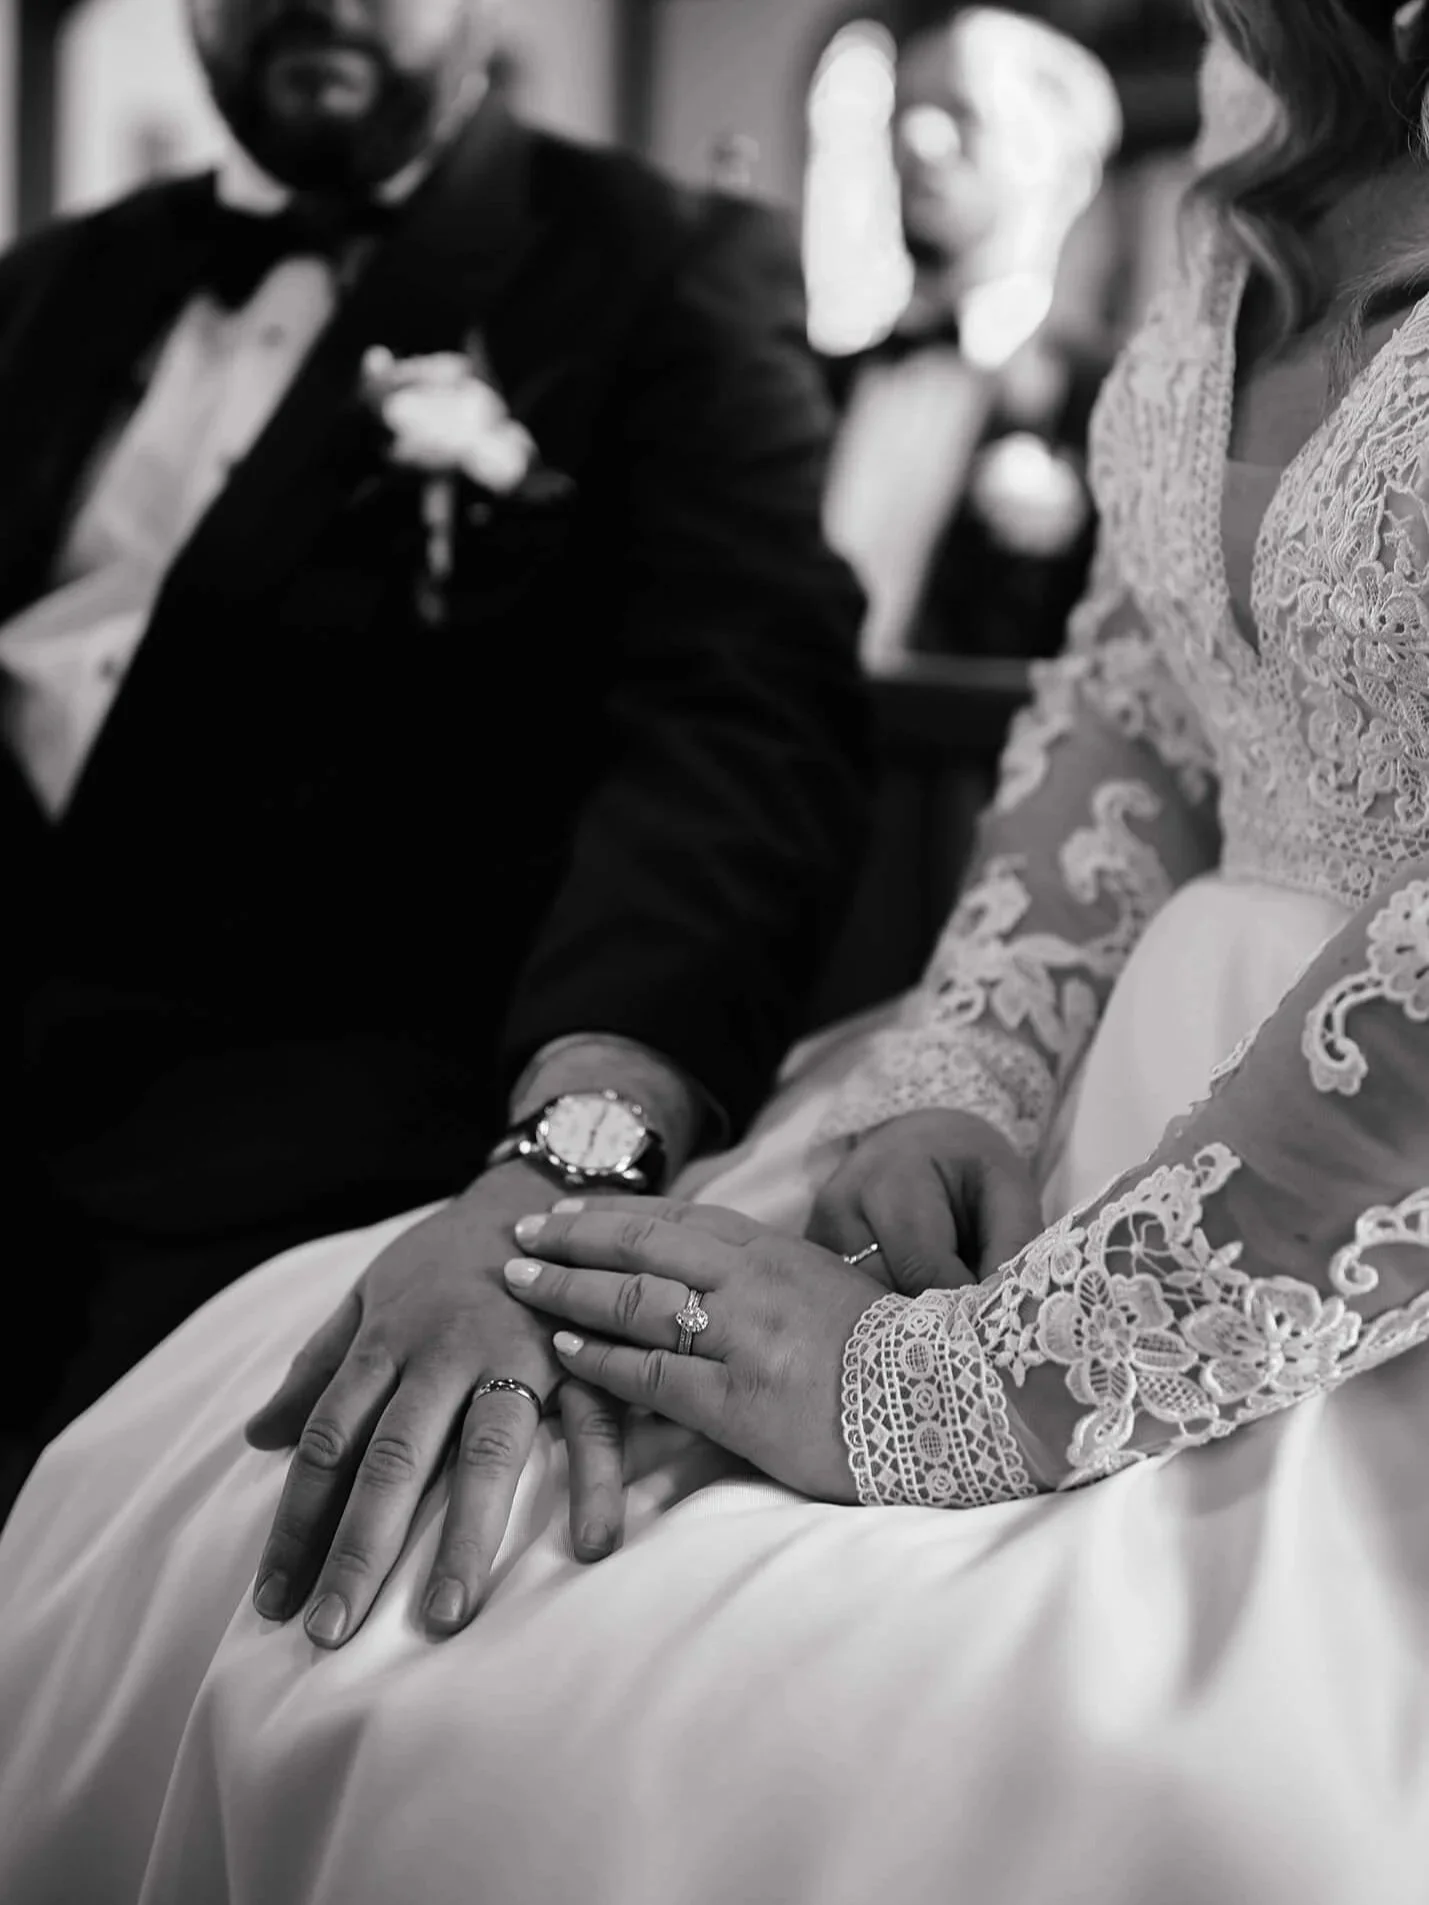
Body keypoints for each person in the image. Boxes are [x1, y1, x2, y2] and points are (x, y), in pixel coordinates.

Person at [9, 5, 1429, 1901]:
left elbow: (725, 747)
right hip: (1089, 1085)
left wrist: (945, 1385)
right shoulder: (1263, 111)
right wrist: (966, 1068)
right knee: (189, 1506)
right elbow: (1144, 693)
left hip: (1334, 1227)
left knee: (607, 1720)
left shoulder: (656, 271)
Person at [0, 0, 870, 1523]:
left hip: (309, 1186)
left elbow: (735, 734)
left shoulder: (659, 265)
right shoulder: (51, 283)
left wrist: (569, 1158)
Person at [821, 9, 1123, 665]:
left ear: (1065, 170)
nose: (917, 138)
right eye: (904, 110)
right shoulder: (815, 385)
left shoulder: (1122, 404)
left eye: (962, 112)